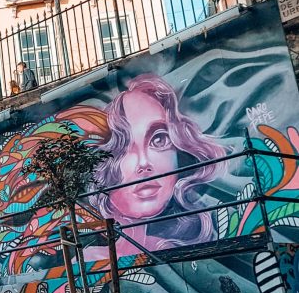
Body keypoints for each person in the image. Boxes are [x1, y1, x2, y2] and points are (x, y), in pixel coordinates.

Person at [91, 74, 227, 257]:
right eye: (123, 149)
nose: (143, 163)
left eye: (159, 139)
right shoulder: (87, 260)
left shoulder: (211, 230)